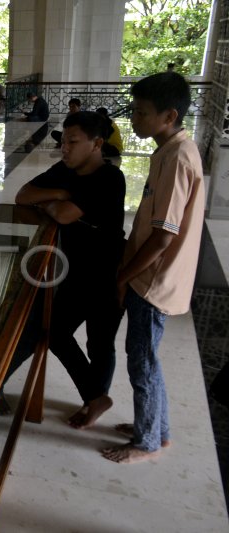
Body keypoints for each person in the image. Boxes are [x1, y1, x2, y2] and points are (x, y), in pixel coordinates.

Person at [103, 72, 205, 464]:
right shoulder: (170, 150)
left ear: (169, 115)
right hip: (152, 276)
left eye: (143, 113)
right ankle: (155, 429)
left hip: (154, 281)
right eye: (134, 111)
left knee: (141, 361)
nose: (135, 120)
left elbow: (163, 236)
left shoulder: (178, 158)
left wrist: (123, 276)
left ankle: (146, 443)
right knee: (147, 358)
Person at [0, 111, 126, 427]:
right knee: (50, 330)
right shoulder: (65, 171)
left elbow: (65, 215)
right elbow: (23, 196)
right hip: (72, 272)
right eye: (63, 142)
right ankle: (96, 397)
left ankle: (95, 399)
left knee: (98, 343)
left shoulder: (109, 178)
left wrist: (57, 204)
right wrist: (59, 193)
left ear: (97, 144)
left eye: (73, 142)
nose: (65, 149)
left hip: (107, 275)